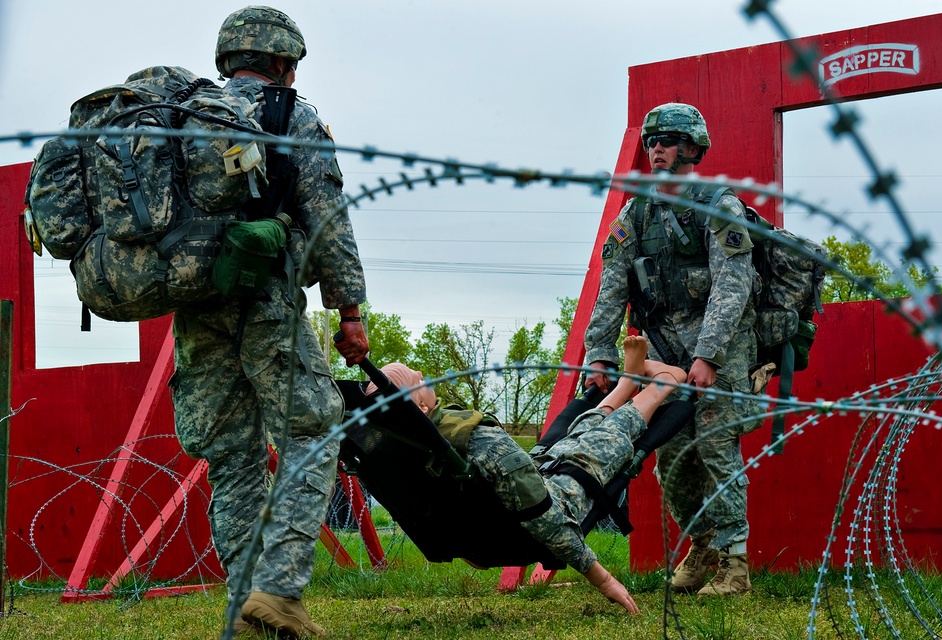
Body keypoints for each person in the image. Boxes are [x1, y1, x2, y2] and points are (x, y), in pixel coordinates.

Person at [170, 6, 368, 638]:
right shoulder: (291, 115)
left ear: (231, 58)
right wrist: (350, 310)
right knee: (314, 429)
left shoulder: (184, 117)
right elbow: (327, 218)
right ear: (283, 60)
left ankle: (244, 598)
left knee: (232, 458)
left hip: (197, 306)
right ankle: (278, 592)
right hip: (265, 303)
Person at [368, 335, 687, 614]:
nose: (426, 377)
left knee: (574, 436)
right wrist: (601, 578)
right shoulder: (473, 438)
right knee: (610, 436)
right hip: (559, 498)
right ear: (421, 410)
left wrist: (466, 546)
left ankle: (628, 383)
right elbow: (543, 515)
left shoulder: (400, 451)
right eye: (419, 381)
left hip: (516, 495)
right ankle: (661, 384)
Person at [582, 103, 761, 596]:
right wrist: (598, 353)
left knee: (716, 450)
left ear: (691, 148)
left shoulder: (718, 206)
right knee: (673, 459)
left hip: (721, 351)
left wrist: (709, 355)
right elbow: (612, 283)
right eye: (651, 142)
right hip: (666, 356)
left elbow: (733, 282)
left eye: (666, 141)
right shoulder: (638, 211)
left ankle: (736, 565)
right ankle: (703, 547)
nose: (656, 149)